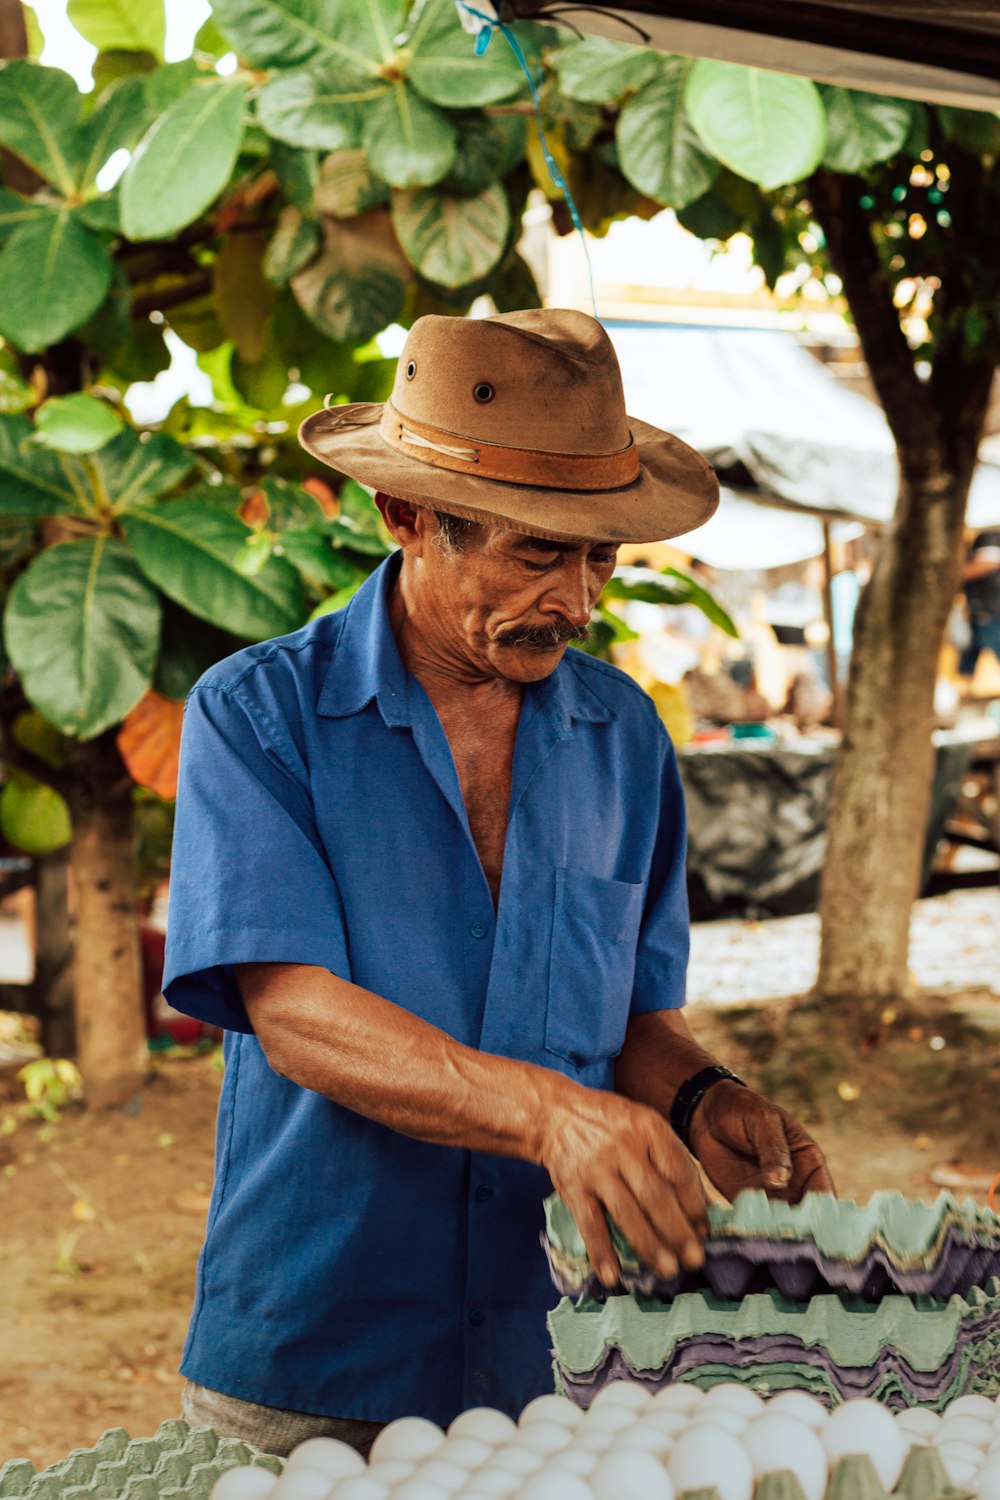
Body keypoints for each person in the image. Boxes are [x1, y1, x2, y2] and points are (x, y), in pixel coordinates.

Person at [164, 310, 832, 1456]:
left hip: (560, 1354)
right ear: (407, 516)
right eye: (537, 553)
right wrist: (549, 1116)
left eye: (600, 557)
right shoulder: (259, 714)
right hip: (320, 1352)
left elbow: (630, 1018)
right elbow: (295, 1014)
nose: (577, 601)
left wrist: (701, 1097)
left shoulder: (622, 734)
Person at [958, 528, 1000, 683]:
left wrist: (953, 575)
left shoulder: (990, 535)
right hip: (978, 613)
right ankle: (964, 700)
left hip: (991, 614)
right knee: (966, 664)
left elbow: (986, 564)